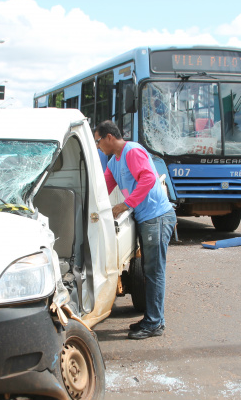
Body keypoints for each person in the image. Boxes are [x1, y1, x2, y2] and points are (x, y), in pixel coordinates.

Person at [93, 120, 176, 340]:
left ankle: (155, 323)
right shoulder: (114, 162)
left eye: (98, 141)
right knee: (150, 272)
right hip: (146, 218)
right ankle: (152, 318)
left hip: (157, 217)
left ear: (109, 137)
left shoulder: (132, 151)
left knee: (154, 272)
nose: (98, 146)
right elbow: (103, 189)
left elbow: (148, 177)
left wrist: (125, 204)